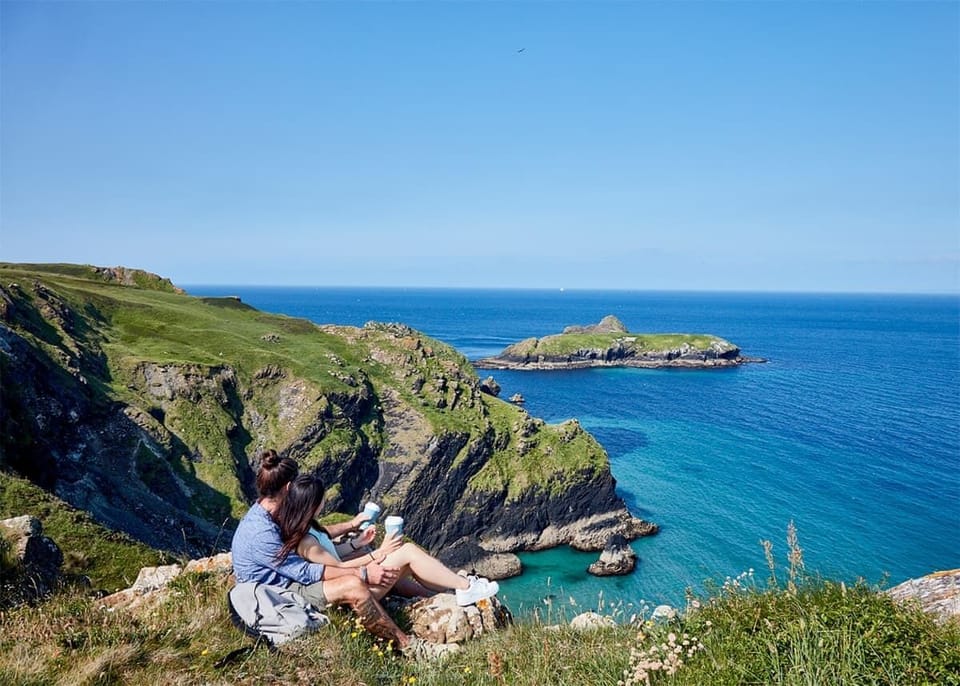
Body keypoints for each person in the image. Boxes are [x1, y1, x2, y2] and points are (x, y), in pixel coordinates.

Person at [231, 450, 451, 658]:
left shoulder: (272, 512)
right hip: (281, 593)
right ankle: (410, 647)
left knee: (363, 558)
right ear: (288, 488)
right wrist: (363, 574)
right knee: (353, 585)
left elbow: (314, 532)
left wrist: (351, 530)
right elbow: (305, 572)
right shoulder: (262, 533)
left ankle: (434, 596)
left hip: (287, 580)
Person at [274, 471, 500, 607]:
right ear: (312, 504)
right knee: (408, 551)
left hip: (357, 583)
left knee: (408, 561)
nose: (325, 502)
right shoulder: (305, 542)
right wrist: (377, 553)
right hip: (357, 592)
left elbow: (332, 555)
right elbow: (338, 569)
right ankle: (466, 586)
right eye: (322, 499)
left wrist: (357, 543)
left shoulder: (308, 528)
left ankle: (449, 593)